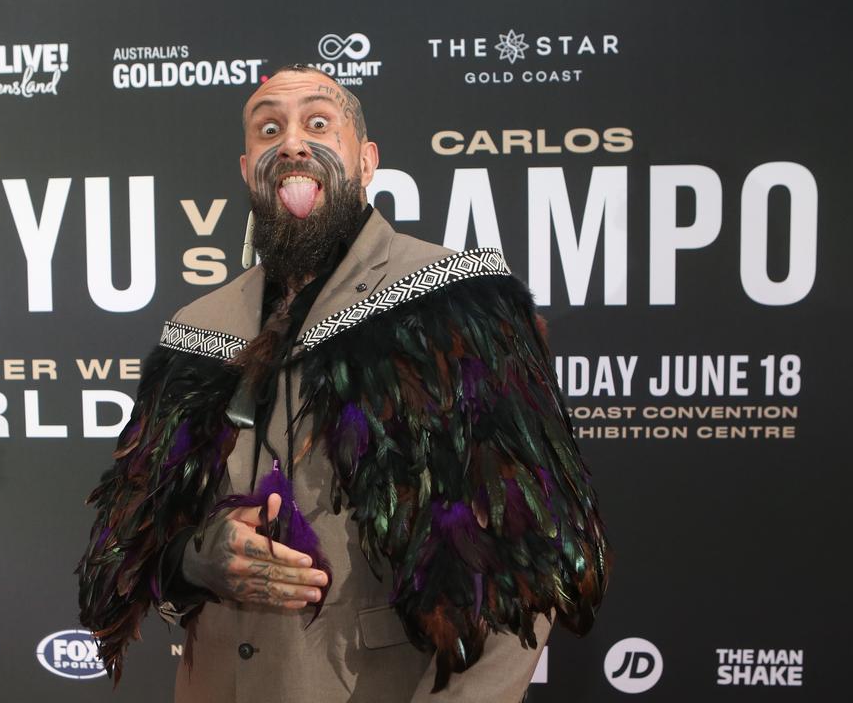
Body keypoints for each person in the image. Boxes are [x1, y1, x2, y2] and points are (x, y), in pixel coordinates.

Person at [77, 64, 612, 702]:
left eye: (318, 123)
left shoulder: (453, 300)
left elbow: (526, 559)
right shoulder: (196, 328)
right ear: (247, 169)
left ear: (366, 161)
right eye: (269, 127)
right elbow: (129, 543)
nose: (293, 142)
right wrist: (197, 556)